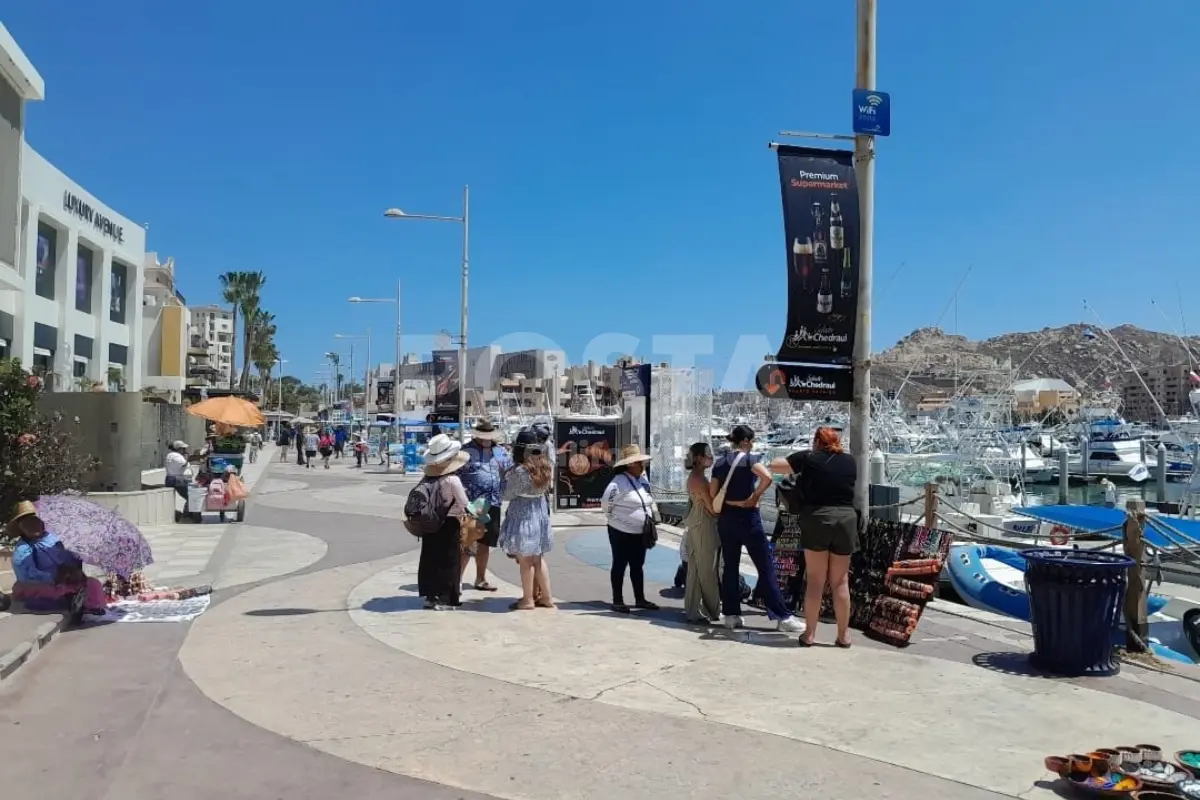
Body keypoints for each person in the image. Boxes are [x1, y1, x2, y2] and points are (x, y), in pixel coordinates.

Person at [710, 425, 805, 633]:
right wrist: (754, 497)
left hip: (726, 518)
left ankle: (732, 614)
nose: (752, 444)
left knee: (731, 568)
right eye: (751, 441)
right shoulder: (750, 460)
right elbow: (768, 477)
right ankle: (782, 616)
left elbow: (713, 492)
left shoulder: (719, 463)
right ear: (745, 441)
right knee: (765, 566)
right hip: (748, 517)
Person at [769, 426, 858, 648]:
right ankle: (844, 635)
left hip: (817, 518)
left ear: (817, 441)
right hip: (846, 520)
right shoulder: (850, 461)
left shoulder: (809, 458)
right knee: (840, 581)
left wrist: (802, 460)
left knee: (816, 581)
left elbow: (776, 465)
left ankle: (809, 634)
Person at [8, 501, 107, 621]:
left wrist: (73, 569)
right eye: (27, 524)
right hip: (41, 584)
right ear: (21, 527)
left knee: (92, 583)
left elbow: (67, 556)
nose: (33, 526)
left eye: (35, 521)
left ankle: (90, 608)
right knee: (52, 593)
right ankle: (74, 603)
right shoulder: (23, 550)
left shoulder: (52, 538)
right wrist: (54, 577)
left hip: (65, 580)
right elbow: (27, 574)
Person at [600, 444, 660, 613]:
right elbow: (606, 504)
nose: (643, 466)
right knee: (619, 564)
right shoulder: (617, 483)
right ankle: (617, 600)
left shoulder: (641, 480)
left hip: (639, 532)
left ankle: (640, 599)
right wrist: (620, 519)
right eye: (640, 463)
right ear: (631, 464)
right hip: (620, 532)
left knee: (637, 565)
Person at [416, 434, 474, 609]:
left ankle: (430, 596)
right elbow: (465, 504)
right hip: (449, 524)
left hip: (430, 523)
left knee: (430, 559)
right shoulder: (452, 479)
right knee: (450, 560)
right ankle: (447, 598)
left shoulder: (428, 478)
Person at [499, 429, 555, 610]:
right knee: (538, 559)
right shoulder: (545, 466)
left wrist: (503, 479)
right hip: (539, 512)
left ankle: (528, 599)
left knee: (525, 561)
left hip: (523, 515)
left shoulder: (520, 471)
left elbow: (507, 494)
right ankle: (547, 597)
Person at [458, 419, 512, 592]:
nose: (486, 439)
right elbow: (454, 474)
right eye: (483, 436)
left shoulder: (500, 451)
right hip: (472, 504)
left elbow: (509, 469)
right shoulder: (465, 451)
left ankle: (480, 578)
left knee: (485, 543)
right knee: (467, 541)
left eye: (489, 436)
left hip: (494, 502)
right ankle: (457, 579)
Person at [683, 442, 720, 625]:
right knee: (707, 568)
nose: (711, 457)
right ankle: (713, 609)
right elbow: (712, 509)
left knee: (697, 568)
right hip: (704, 524)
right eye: (707, 454)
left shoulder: (695, 477)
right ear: (698, 458)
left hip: (697, 524)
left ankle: (693, 609)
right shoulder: (700, 480)